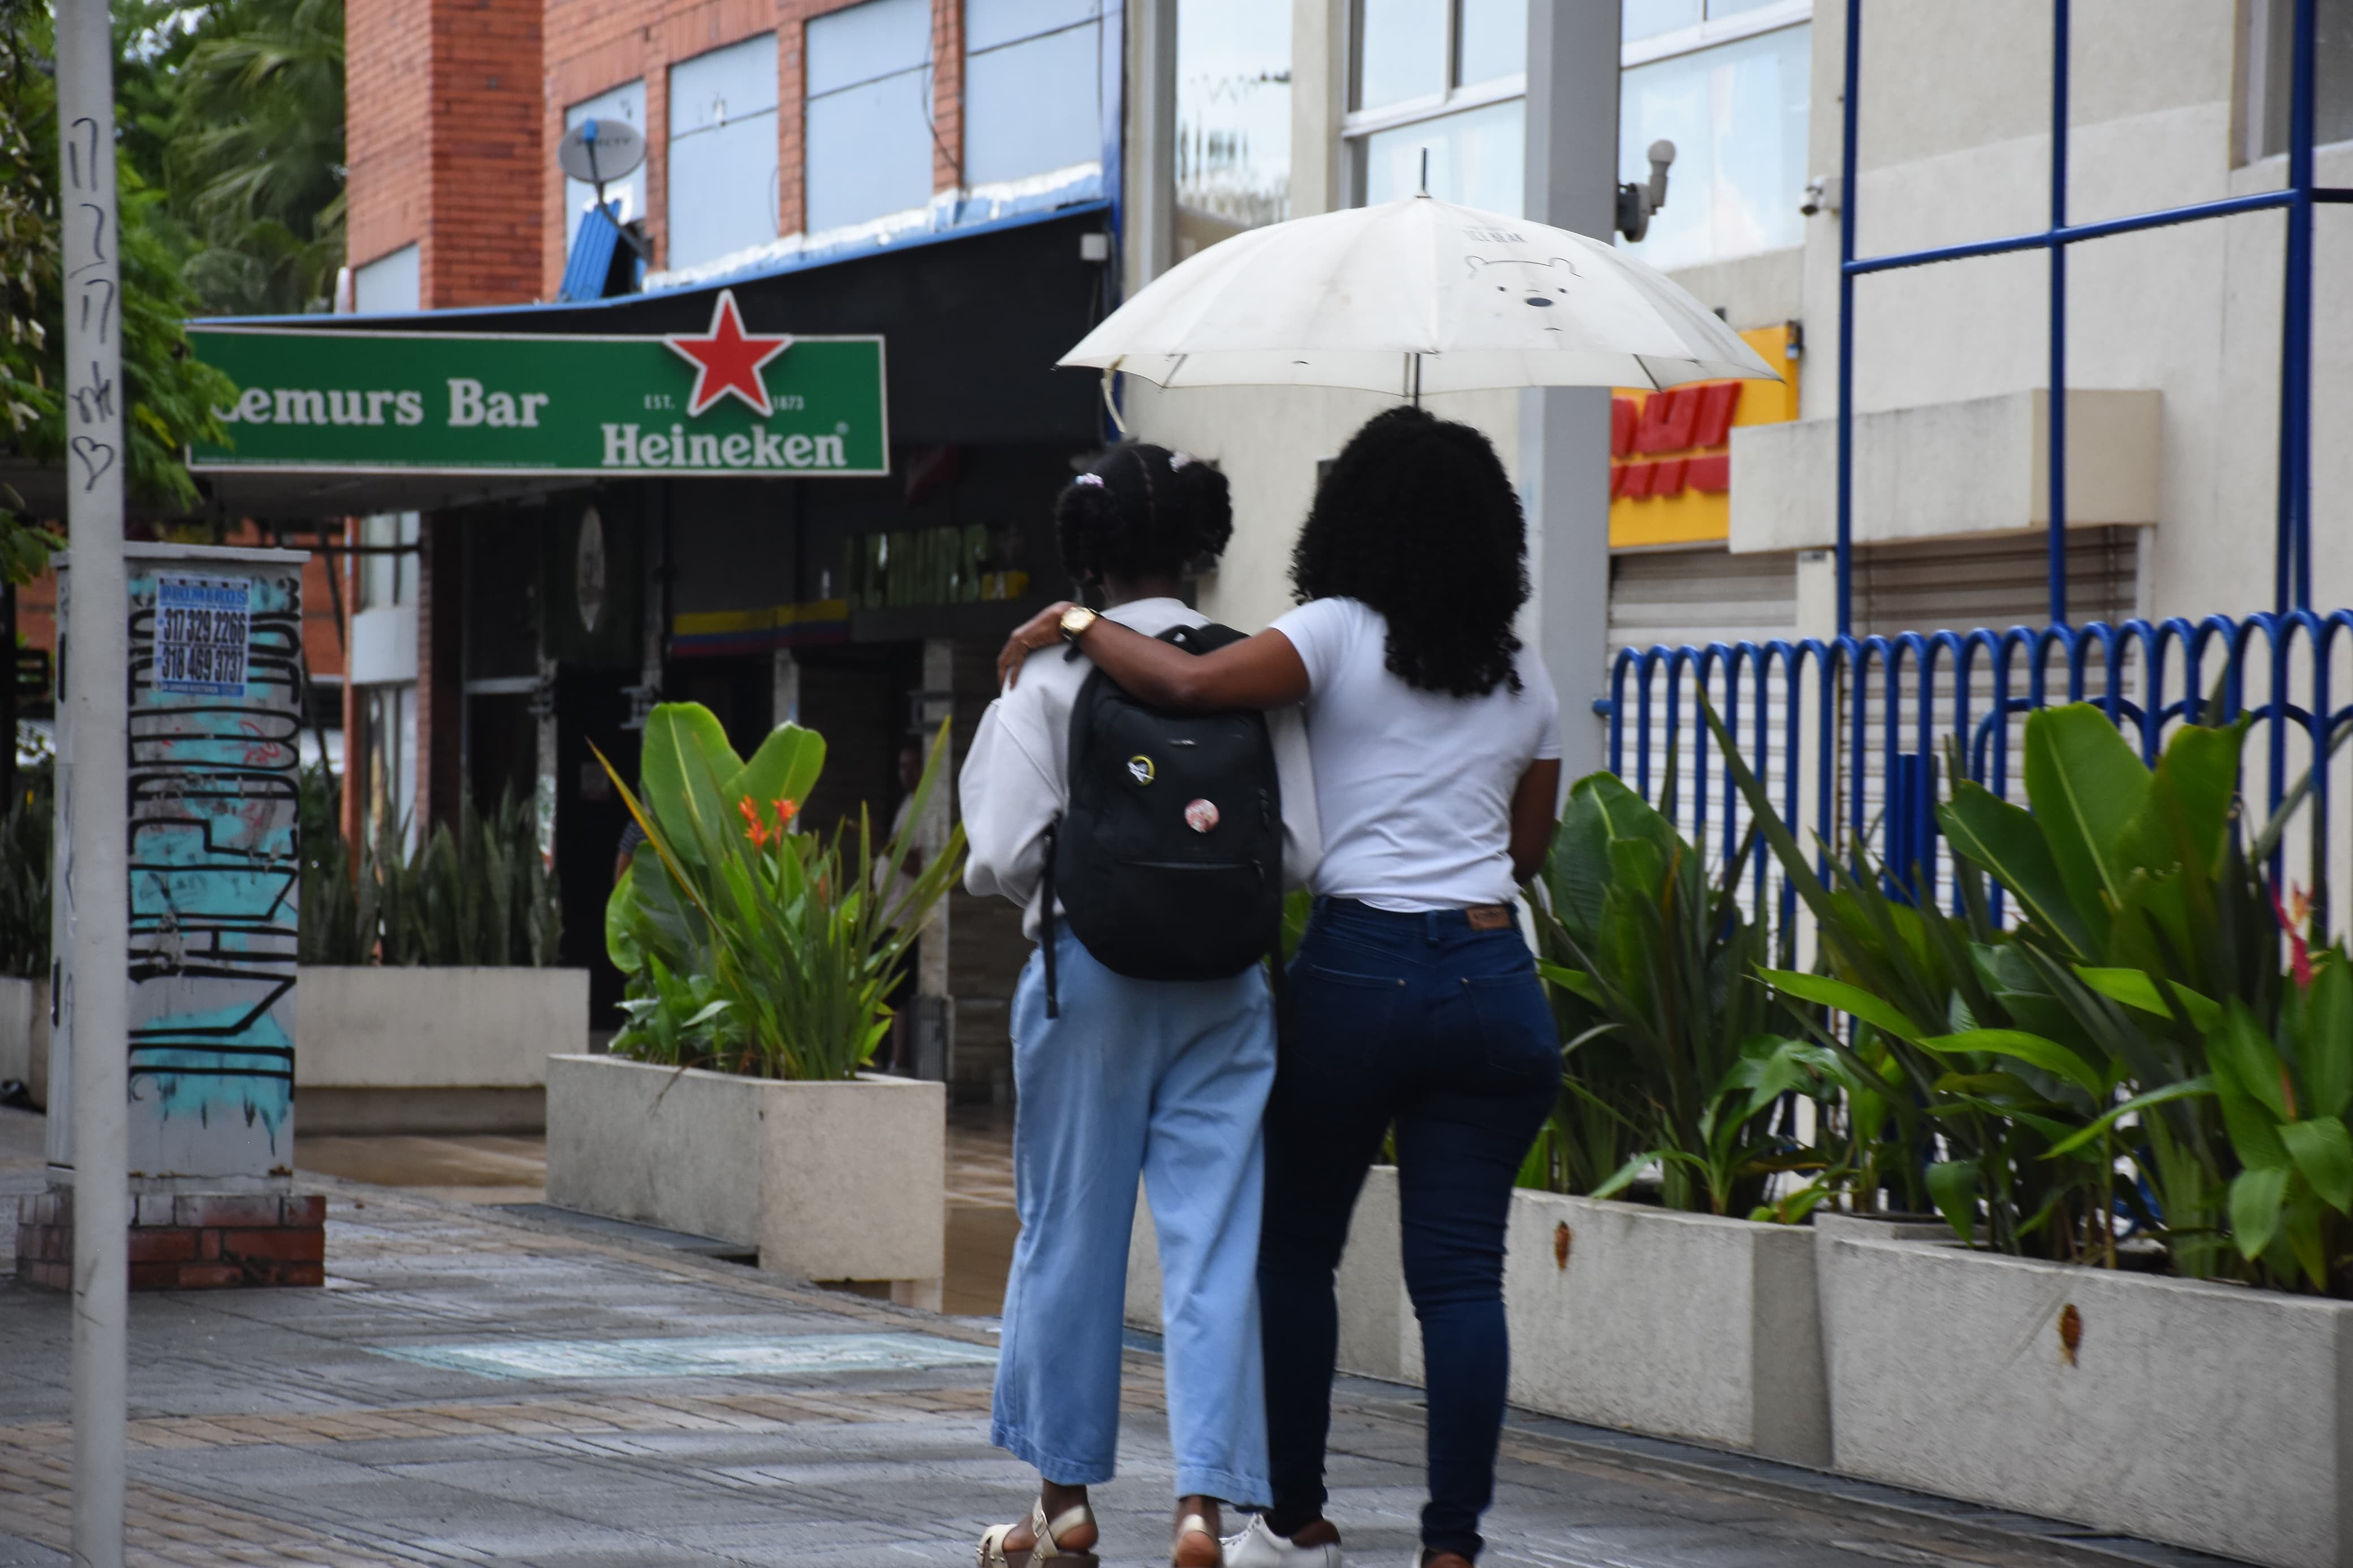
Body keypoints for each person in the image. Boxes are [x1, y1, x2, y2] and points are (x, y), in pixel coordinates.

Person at [997, 407, 1562, 1568]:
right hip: (1490, 975)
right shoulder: (1524, 667)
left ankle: (1288, 1519)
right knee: (1460, 1280)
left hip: (1349, 974)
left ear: (1351, 517)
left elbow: (1185, 687)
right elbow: (1525, 848)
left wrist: (1079, 622)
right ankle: (1438, 1543)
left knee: (1285, 1251)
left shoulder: (1332, 632)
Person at [962, 443, 1320, 1568]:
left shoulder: (1047, 676)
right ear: (1200, 548)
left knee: (1069, 1233)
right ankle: (1202, 1508)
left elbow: (997, 854)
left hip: (1089, 979)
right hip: (1227, 985)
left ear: (1090, 556)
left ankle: (1063, 1502)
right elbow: (1300, 852)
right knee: (1215, 1244)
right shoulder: (1249, 672)